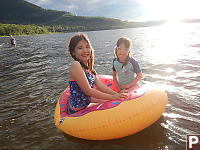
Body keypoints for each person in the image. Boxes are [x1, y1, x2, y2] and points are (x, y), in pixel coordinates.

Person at [67, 34, 127, 115]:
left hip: (87, 102)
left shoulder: (89, 69)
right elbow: (88, 91)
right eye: (80, 48)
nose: (85, 50)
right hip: (77, 110)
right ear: (73, 52)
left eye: (87, 47)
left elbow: (100, 86)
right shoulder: (76, 65)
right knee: (112, 105)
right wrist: (112, 97)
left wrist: (116, 94)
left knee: (116, 101)